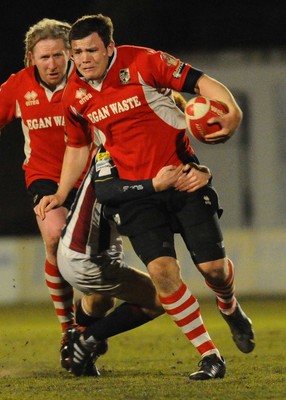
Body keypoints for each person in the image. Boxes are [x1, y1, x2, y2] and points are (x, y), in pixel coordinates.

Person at [36, 14, 255, 381]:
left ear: (110, 48)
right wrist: (60, 192)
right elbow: (77, 146)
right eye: (77, 53)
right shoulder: (74, 95)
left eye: (91, 50)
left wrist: (231, 112)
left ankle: (229, 306)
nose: (84, 59)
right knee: (163, 274)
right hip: (137, 196)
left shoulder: (144, 61)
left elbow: (202, 83)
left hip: (183, 179)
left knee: (214, 270)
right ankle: (209, 356)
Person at [0, 18, 112, 372]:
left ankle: (85, 329)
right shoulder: (17, 87)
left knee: (100, 277)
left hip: (92, 180)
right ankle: (67, 331)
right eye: (43, 57)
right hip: (45, 180)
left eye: (59, 56)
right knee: (53, 237)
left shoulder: (88, 84)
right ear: (30, 58)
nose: (51, 64)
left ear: (70, 55)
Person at [56, 146, 212, 376]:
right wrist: (156, 185)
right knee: (163, 298)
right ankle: (86, 339)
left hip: (80, 251)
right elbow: (110, 192)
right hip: (88, 258)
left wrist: (203, 173)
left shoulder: (118, 146)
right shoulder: (117, 149)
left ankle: (79, 337)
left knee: (101, 300)